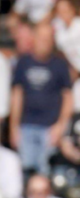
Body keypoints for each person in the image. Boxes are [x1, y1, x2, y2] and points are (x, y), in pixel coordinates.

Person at [10, 23, 72, 176]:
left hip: (50, 128)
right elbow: (17, 95)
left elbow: (68, 97)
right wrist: (14, 126)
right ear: (34, 38)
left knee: (47, 172)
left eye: (48, 38)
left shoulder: (60, 65)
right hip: (26, 126)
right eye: (42, 38)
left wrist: (61, 125)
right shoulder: (23, 63)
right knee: (26, 171)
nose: (45, 42)